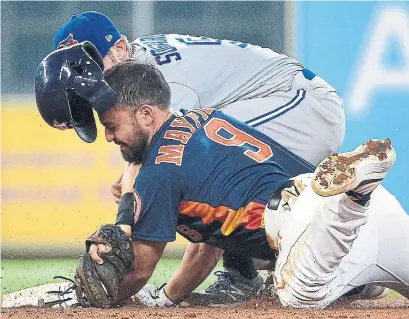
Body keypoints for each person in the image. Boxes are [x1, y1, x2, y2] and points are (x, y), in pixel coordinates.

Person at [32, 55, 408, 309]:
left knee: (297, 299)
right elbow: (208, 246)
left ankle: (353, 197)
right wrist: (168, 298)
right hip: (365, 212)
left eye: (112, 126)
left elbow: (140, 268)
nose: (110, 138)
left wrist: (105, 290)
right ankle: (356, 263)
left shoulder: (160, 170)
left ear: (145, 114)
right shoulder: (206, 118)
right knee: (320, 275)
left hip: (307, 227)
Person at [51, 11, 346, 301]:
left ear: (119, 48)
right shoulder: (137, 67)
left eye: (91, 68)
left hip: (300, 103)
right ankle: (336, 267)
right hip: (278, 100)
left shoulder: (165, 81)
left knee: (209, 172)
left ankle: (243, 275)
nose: (89, 84)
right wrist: (131, 183)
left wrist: (127, 213)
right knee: (233, 193)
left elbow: (170, 156)